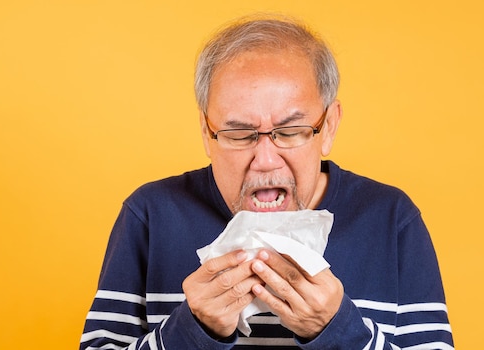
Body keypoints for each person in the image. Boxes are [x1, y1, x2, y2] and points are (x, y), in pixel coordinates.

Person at [79, 14, 453, 349]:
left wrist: (339, 332)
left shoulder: (391, 219)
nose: (266, 159)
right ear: (207, 134)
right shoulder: (151, 214)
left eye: (290, 132)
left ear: (329, 127)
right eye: (240, 134)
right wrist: (191, 331)